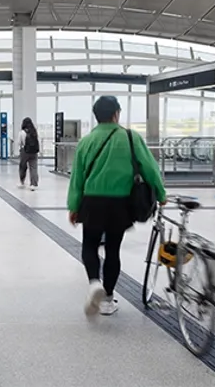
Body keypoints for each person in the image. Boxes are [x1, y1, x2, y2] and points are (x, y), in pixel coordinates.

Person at [67, 95, 166, 318]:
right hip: (120, 203)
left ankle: (94, 282)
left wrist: (73, 206)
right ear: (116, 114)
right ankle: (108, 299)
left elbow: (77, 179)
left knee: (90, 245)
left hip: (92, 201)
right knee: (113, 249)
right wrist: (161, 194)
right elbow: (150, 168)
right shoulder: (130, 137)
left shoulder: (86, 141)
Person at [17, 117, 40, 190]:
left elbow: (19, 143)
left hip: (25, 151)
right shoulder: (34, 131)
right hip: (34, 152)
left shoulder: (22, 132)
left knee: (23, 167)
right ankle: (33, 184)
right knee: (33, 168)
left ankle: (22, 182)